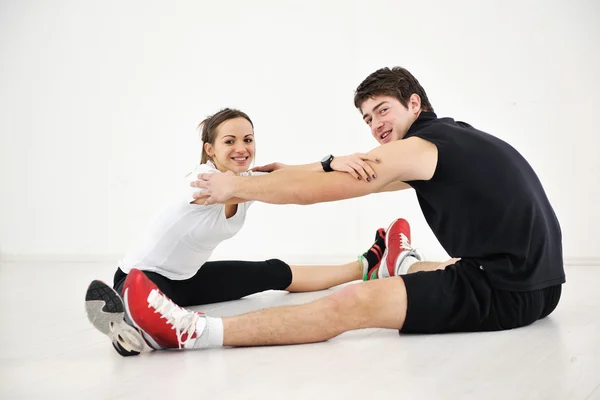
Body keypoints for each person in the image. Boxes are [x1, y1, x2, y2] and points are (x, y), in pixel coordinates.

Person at [118, 66, 565, 351]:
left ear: (415, 104)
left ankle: (194, 333)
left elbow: (315, 191)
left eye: (383, 110)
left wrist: (241, 184)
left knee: (353, 303)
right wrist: (304, 168)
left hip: (508, 292)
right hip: (536, 284)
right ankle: (399, 263)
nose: (375, 126)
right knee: (449, 266)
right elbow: (359, 181)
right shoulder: (452, 139)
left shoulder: (418, 148)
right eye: (367, 118)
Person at [85, 107, 419, 356]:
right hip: (138, 280)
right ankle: (129, 326)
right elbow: (279, 185)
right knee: (163, 310)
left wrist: (332, 163)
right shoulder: (199, 181)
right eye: (229, 141)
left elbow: (289, 177)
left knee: (271, 272)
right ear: (210, 149)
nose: (241, 148)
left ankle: (367, 265)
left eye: (247, 139)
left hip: (186, 280)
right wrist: (322, 168)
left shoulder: (244, 183)